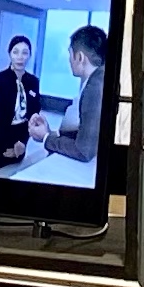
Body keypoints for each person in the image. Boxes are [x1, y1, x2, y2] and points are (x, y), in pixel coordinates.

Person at [35, 25, 109, 175]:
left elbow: (83, 150)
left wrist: (45, 137)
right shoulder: (97, 79)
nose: (69, 60)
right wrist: (49, 132)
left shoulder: (94, 88)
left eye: (70, 55)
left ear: (80, 57)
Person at [0, 33, 41, 175]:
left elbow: (34, 112)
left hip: (20, 142)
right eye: (16, 52)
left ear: (30, 55)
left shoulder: (33, 81)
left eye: (25, 53)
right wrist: (11, 144)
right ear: (9, 54)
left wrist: (22, 142)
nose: (20, 57)